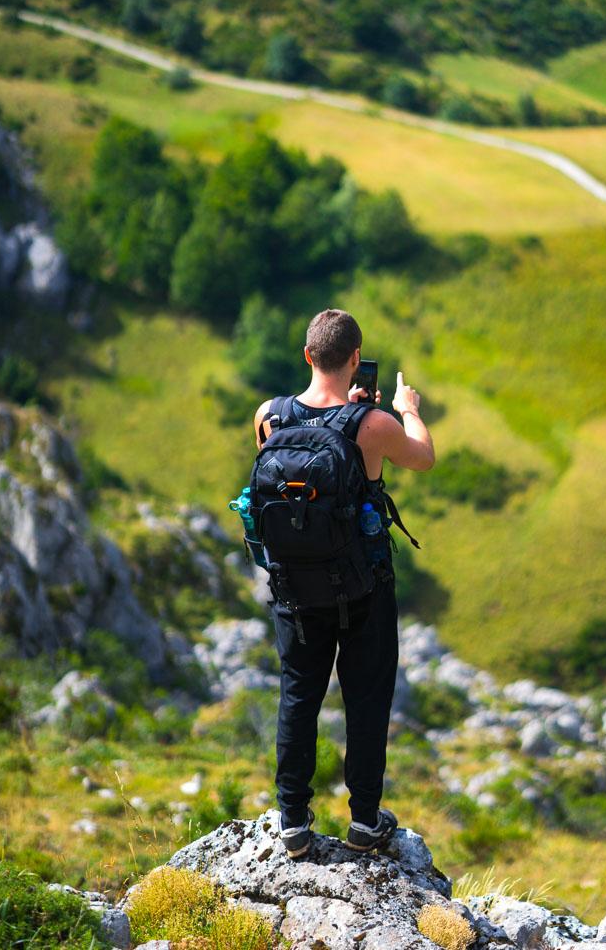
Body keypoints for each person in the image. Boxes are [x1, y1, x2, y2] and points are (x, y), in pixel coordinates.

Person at [252, 308, 435, 858]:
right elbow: (423, 457)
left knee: (298, 694)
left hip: (294, 588)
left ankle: (291, 821)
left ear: (308, 356)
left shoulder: (269, 416)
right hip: (362, 587)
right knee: (366, 697)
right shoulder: (372, 425)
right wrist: (406, 410)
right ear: (356, 360)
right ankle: (364, 821)